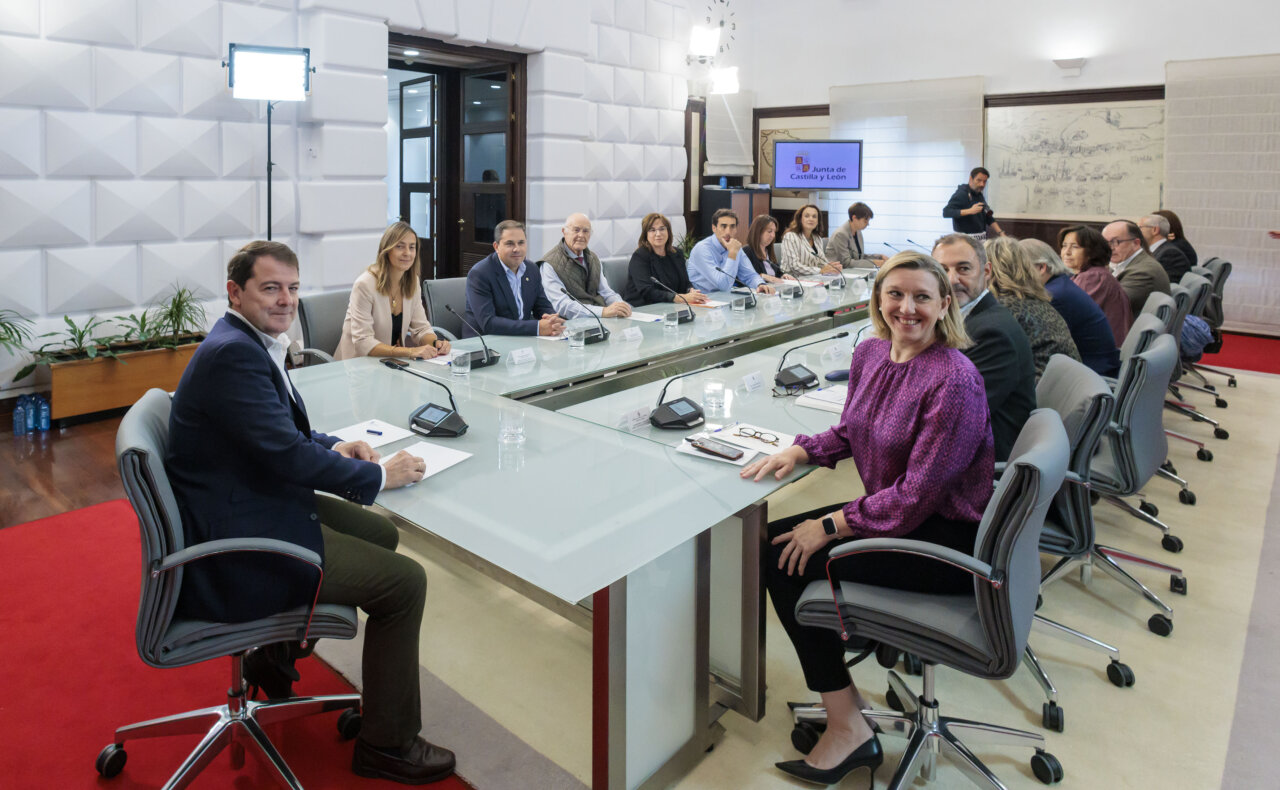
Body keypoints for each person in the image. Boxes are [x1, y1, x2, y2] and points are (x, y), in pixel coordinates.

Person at [166, 240, 455, 784]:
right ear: (236, 292)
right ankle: (387, 745)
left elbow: (283, 435)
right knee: (406, 584)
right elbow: (283, 455)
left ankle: (272, 659)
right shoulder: (235, 354)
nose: (285, 300)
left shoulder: (248, 342)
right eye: (270, 288)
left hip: (252, 499)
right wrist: (376, 475)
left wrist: (334, 448)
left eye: (292, 289)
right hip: (241, 540)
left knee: (378, 532)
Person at [742, 251, 993, 785]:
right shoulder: (873, 353)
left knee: (785, 555)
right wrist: (803, 450)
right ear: (879, 300)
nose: (908, 308)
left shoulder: (954, 381)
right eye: (896, 294)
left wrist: (831, 525)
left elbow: (915, 497)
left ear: (944, 304)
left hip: (941, 541)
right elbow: (852, 429)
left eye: (922, 297)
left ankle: (847, 728)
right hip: (897, 520)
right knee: (773, 542)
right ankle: (846, 704)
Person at [933, 233, 1035, 461]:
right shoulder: (967, 317)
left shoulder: (991, 333)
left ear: (986, 272)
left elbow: (953, 418)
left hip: (978, 462)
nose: (952, 280)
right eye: (942, 270)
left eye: (964, 269)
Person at [334, 222, 451, 361]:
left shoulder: (412, 282)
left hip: (390, 363)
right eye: (400, 246)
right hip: (357, 365)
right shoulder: (364, 285)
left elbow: (421, 328)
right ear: (386, 250)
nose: (407, 253)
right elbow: (363, 342)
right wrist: (409, 351)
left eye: (412, 247)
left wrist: (435, 343)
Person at [1019, 237, 1121, 376]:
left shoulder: (1053, 296)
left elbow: (1036, 348)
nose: (1014, 276)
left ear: (1041, 268)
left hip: (1092, 376)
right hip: (1095, 369)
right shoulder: (1060, 285)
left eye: (1017, 268)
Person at [983, 236, 1082, 378]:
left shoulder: (1002, 309)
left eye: (966, 268)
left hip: (1039, 394)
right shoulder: (1034, 301)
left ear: (987, 270)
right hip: (1061, 391)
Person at [463, 220, 565, 337]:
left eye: (521, 243)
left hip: (520, 339)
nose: (517, 249)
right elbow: (488, 323)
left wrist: (552, 320)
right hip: (486, 343)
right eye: (510, 244)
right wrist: (537, 328)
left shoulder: (531, 269)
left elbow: (542, 305)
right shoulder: (480, 274)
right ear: (496, 247)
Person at [540, 213, 632, 319]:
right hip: (570, 326)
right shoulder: (549, 264)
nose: (581, 235)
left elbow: (606, 292)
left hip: (601, 320)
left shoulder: (593, 258)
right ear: (564, 232)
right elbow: (562, 305)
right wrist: (602, 312)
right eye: (576, 230)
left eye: (586, 231)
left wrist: (620, 305)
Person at [1059, 225, 1132, 346]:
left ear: (1092, 252)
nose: (1066, 252)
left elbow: (1069, 317)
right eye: (1064, 246)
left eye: (1075, 247)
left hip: (1101, 351)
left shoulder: (1093, 278)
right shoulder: (1088, 274)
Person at [622, 212, 708, 307]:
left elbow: (685, 283)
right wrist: (679, 298)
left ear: (668, 232)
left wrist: (690, 291)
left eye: (662, 229)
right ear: (645, 235)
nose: (658, 234)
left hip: (673, 307)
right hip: (645, 308)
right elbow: (647, 291)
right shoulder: (640, 256)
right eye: (652, 230)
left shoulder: (677, 254)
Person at [686, 208, 777, 294]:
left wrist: (760, 284)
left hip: (724, 299)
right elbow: (723, 286)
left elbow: (750, 275)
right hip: (702, 302)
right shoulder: (702, 249)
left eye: (732, 227)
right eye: (723, 226)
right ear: (714, 228)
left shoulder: (735, 247)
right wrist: (732, 254)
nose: (728, 232)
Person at [1102, 219, 1170, 318]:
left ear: (1136, 243)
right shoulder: (1122, 263)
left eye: (1115, 242)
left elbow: (1109, 305)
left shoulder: (1143, 271)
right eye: (1105, 243)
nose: (1109, 248)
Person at [779, 204, 841, 277]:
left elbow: (821, 262)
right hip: (792, 280)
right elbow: (794, 266)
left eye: (814, 216)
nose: (811, 219)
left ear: (818, 221)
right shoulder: (790, 236)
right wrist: (820, 271)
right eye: (807, 216)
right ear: (800, 219)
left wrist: (832, 267)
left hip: (811, 279)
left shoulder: (817, 238)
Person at [943, 166, 1004, 238]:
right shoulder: (961, 193)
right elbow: (946, 212)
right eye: (979, 180)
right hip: (964, 240)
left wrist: (1001, 233)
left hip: (980, 238)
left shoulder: (978, 193)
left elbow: (988, 217)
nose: (982, 184)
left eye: (984, 181)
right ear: (971, 179)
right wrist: (969, 211)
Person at [826, 202, 887, 268]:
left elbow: (859, 256)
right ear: (854, 218)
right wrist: (874, 263)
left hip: (852, 272)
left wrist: (879, 257)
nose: (868, 224)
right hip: (837, 273)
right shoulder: (840, 234)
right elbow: (846, 263)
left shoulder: (858, 232)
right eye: (865, 221)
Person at [740, 214, 797, 285]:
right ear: (758, 231)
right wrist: (764, 276)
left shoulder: (768, 250)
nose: (773, 235)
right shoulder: (747, 251)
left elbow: (777, 272)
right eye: (769, 231)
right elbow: (746, 277)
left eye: (774, 232)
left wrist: (783, 275)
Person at [1139, 214, 1192, 283]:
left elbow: (1149, 282)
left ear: (1155, 230)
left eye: (1140, 227)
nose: (1137, 232)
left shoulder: (1169, 254)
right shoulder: (1160, 250)